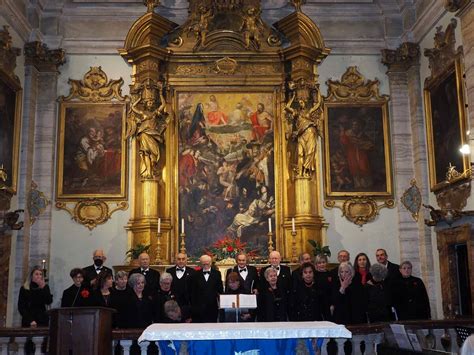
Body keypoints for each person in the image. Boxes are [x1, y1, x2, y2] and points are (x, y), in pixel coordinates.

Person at [284, 89, 322, 177]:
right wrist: (293, 97)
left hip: (310, 133)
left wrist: (318, 91)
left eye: (302, 102)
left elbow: (318, 104)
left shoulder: (309, 112)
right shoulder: (296, 113)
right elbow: (287, 107)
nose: (301, 103)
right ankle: (299, 172)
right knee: (299, 153)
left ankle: (306, 171)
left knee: (309, 152)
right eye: (300, 102)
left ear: (305, 103)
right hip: (301, 135)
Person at [339, 118, 374, 189]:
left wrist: (363, 144)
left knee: (364, 167)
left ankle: (366, 184)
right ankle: (357, 185)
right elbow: (344, 142)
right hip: (352, 154)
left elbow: (370, 144)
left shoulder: (362, 134)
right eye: (354, 125)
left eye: (357, 125)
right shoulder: (347, 134)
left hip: (362, 154)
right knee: (354, 169)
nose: (355, 126)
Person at [190, 255, 223, 323]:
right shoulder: (195, 274)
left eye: (207, 263)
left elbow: (220, 289)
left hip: (212, 307)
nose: (205, 265)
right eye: (203, 263)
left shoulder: (217, 274)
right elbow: (193, 292)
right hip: (199, 308)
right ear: (201, 264)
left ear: (211, 263)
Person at [351, 252, 372, 324]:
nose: (362, 261)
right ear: (357, 262)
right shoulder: (353, 274)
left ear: (367, 261)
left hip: (369, 302)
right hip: (357, 303)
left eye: (364, 259)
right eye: (359, 260)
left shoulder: (371, 273)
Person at [314, 254, 333, 319]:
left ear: (326, 263)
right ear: (316, 264)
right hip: (317, 301)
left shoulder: (330, 274)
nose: (322, 264)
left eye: (323, 262)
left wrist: (332, 303)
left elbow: (332, 289)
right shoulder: (314, 275)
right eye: (319, 263)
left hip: (328, 301)